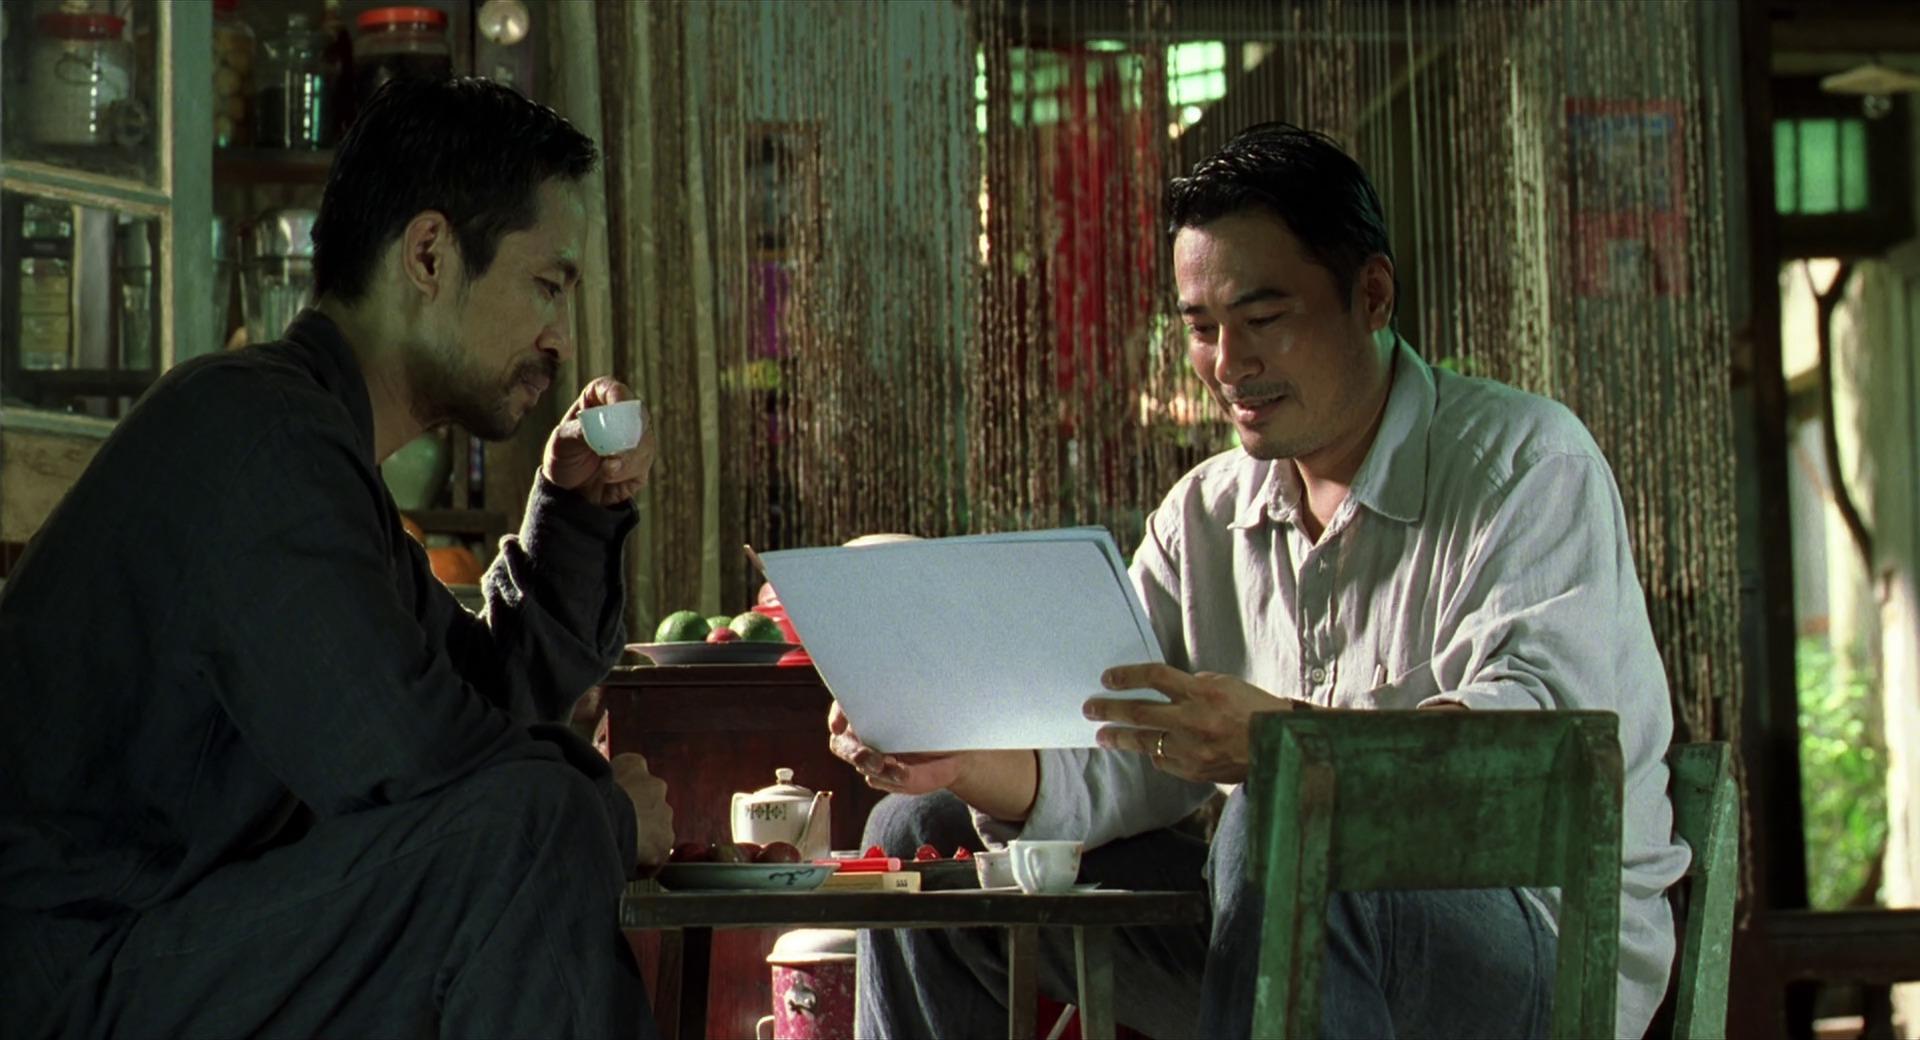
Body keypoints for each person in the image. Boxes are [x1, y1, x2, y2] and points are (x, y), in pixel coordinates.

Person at [830, 123, 1689, 1039]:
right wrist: (964, 761)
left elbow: (1537, 765)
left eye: (1265, 319)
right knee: (921, 831)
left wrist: (1280, 745)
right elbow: (1115, 745)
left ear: (1372, 295)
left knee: (1283, 811)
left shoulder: (1526, 464)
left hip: (1537, 941)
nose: (1229, 364)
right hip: (1278, 922)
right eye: (1202, 329)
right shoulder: (1206, 513)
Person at [0, 78, 672, 1039]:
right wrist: (612, 816)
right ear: (430, 255)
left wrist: (572, 511)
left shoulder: (317, 451)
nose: (560, 338)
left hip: (154, 950)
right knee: (541, 822)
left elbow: (485, 709)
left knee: (537, 813)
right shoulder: (256, 434)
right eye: (548, 286)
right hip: (77, 977)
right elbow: (422, 771)